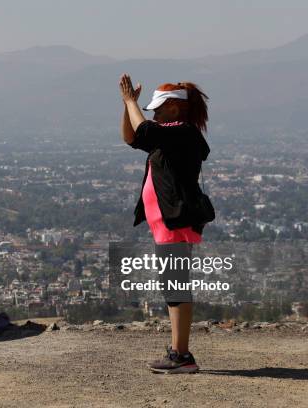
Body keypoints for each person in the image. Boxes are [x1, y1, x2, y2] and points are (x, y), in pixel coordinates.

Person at [119, 74, 211, 374]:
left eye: (158, 109)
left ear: (174, 108)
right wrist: (126, 105)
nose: (153, 114)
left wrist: (132, 102)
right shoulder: (168, 135)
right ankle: (178, 352)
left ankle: (181, 356)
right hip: (165, 223)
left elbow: (143, 130)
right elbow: (132, 137)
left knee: (175, 285)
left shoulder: (182, 133)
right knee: (172, 285)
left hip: (176, 221)